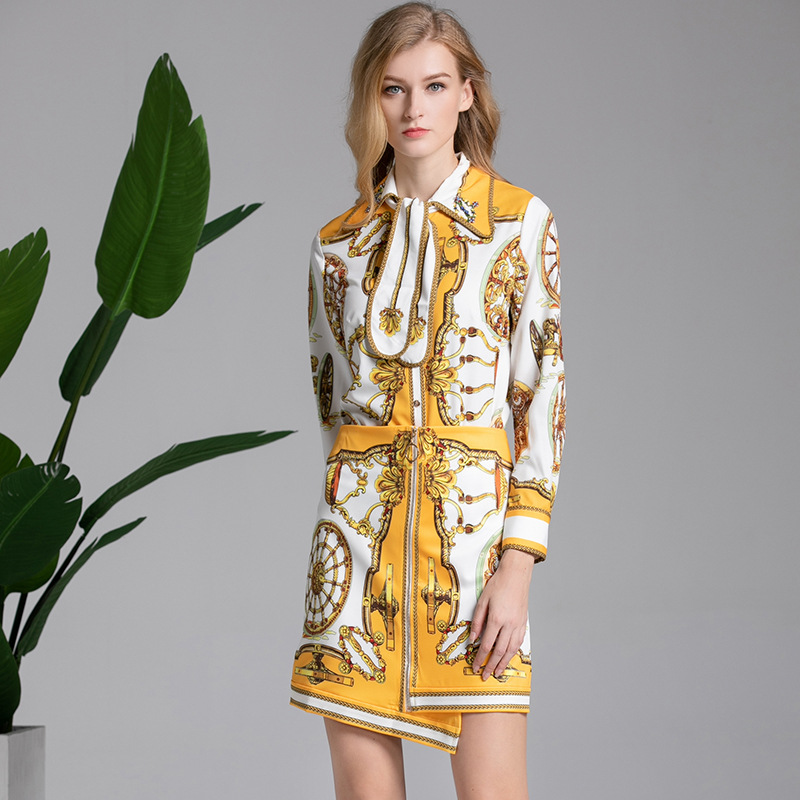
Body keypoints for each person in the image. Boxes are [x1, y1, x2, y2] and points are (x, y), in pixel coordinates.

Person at [290, 3, 565, 797]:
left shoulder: (520, 223)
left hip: (472, 561)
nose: (414, 108)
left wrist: (517, 568)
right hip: (356, 562)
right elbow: (331, 404)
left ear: (467, 94)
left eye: (435, 85)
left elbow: (540, 398)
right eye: (394, 88)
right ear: (371, 100)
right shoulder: (335, 246)